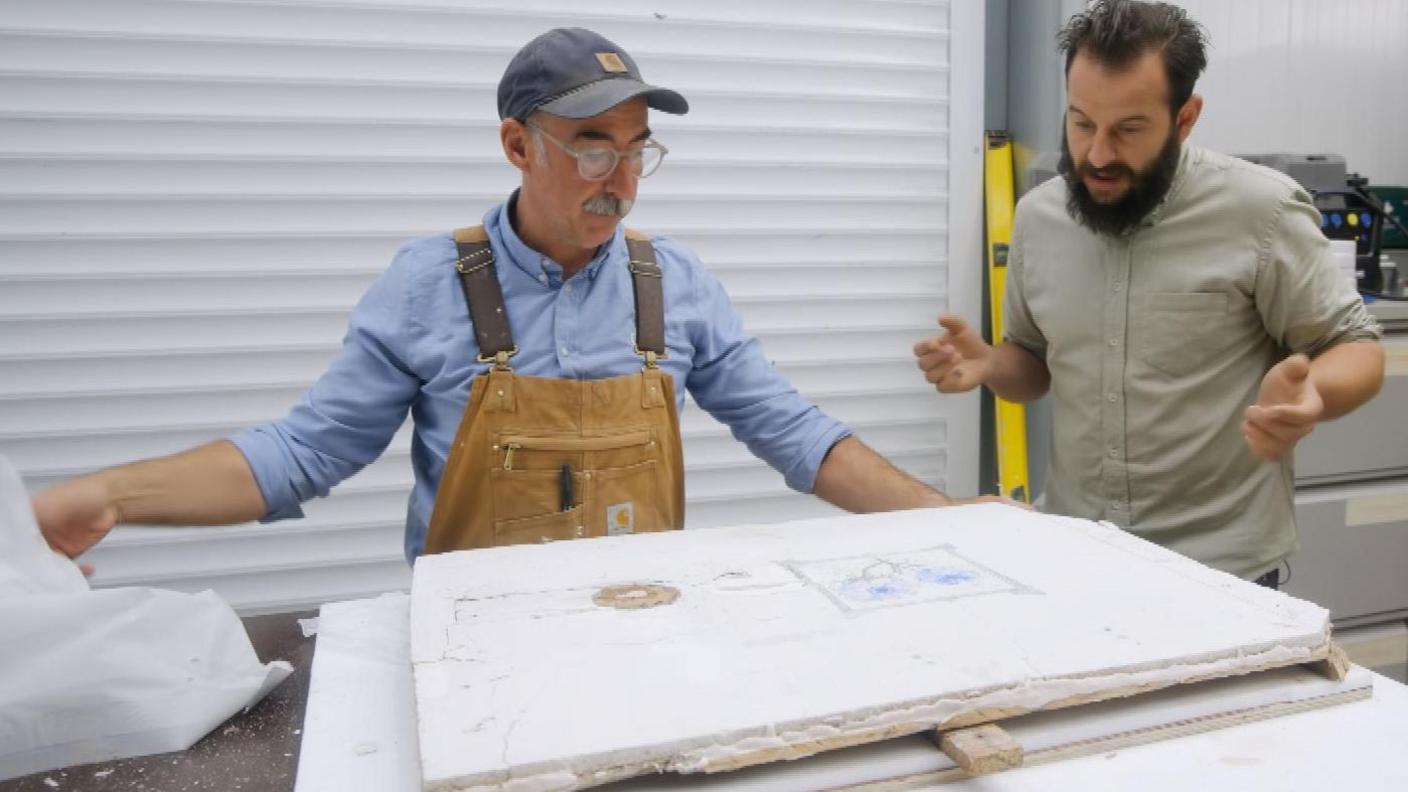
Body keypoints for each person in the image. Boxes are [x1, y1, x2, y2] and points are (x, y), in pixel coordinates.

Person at [37, 27, 995, 568]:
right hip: (469, 659)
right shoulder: (427, 286)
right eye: (589, 148)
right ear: (514, 144)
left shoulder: (676, 289)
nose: (616, 180)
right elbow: (301, 454)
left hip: (639, 630)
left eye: (634, 152)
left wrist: (950, 518)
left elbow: (799, 435)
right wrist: (113, 496)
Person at [913, 0, 1384, 585]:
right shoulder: (1039, 217)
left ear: (1185, 118)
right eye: (1081, 122)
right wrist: (990, 364)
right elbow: (1034, 366)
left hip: (1223, 573)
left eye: (1129, 129)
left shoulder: (1261, 212)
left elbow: (1359, 347)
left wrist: (1313, 395)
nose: (1098, 154)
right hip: (1079, 555)